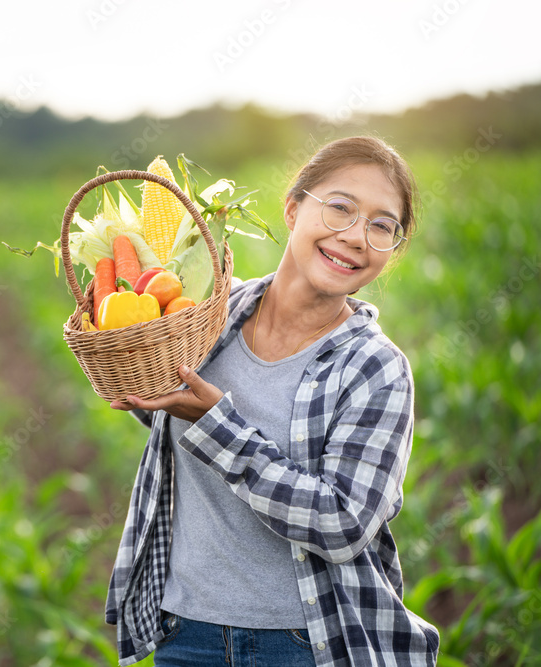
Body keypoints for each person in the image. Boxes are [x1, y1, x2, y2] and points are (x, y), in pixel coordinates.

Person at [105, 136, 440, 666]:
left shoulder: (375, 368)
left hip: (306, 642)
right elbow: (162, 412)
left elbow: (343, 524)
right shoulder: (208, 315)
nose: (356, 236)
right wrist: (135, 373)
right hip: (185, 632)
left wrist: (219, 426)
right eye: (340, 208)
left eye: (382, 225)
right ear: (293, 208)